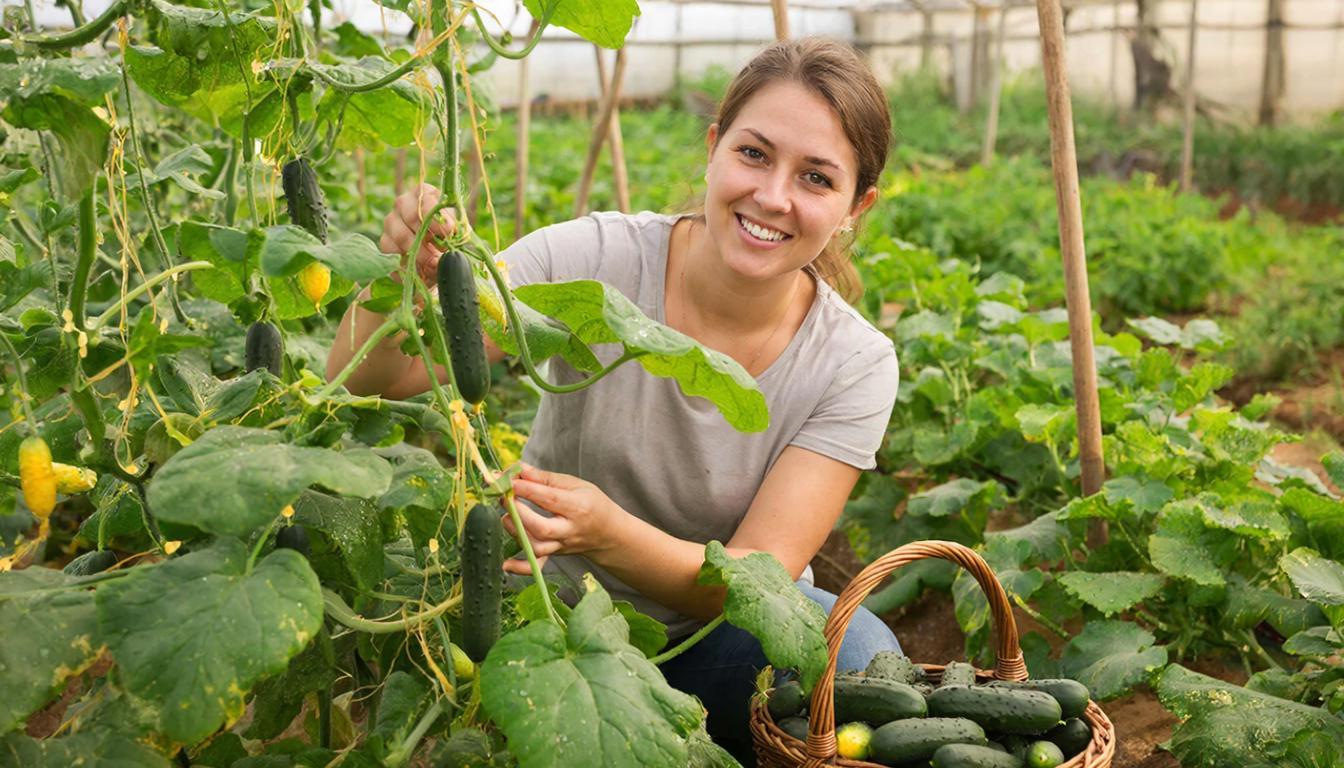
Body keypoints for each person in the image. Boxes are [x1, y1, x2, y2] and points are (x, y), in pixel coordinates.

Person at [327, 36, 902, 763]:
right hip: (546, 620)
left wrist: (607, 533)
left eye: (816, 178)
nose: (773, 196)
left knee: (859, 657)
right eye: (754, 154)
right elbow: (373, 380)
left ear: (857, 205)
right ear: (715, 145)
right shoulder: (592, 259)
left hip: (713, 640)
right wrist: (402, 276)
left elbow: (755, 580)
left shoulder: (854, 363)